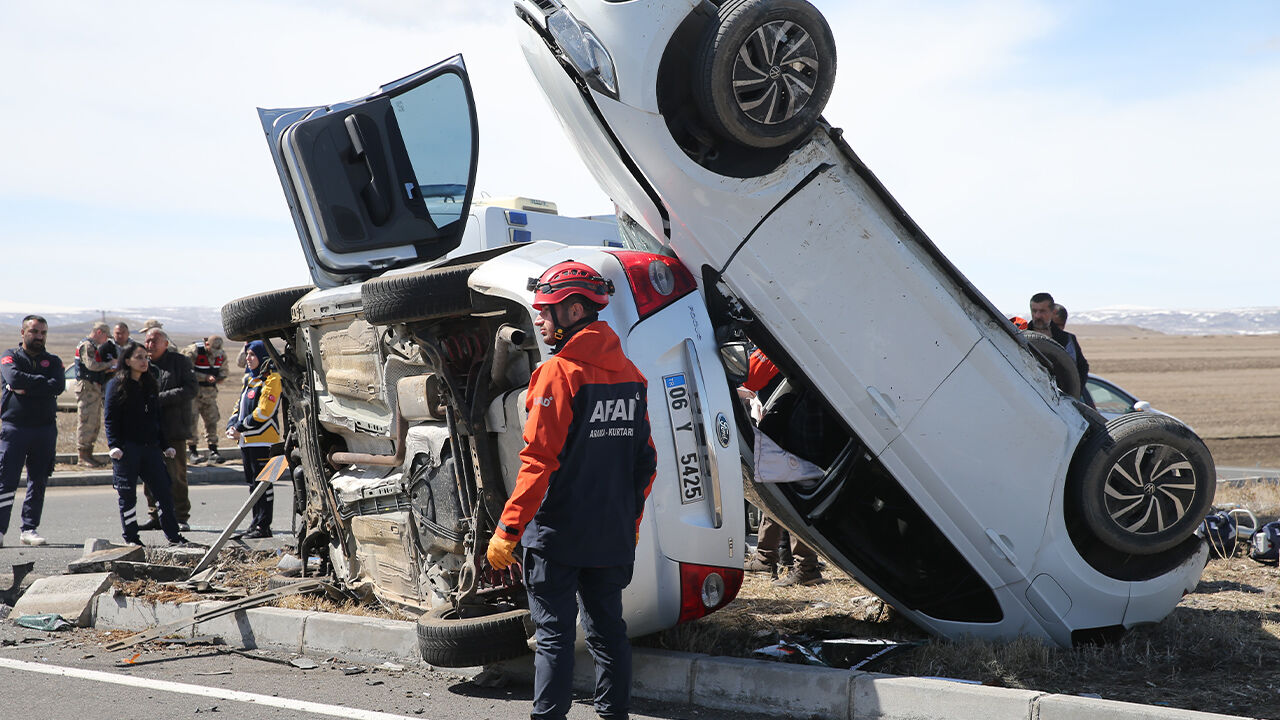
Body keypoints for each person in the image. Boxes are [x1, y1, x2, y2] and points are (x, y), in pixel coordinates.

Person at [486, 260, 656, 720]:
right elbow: (647, 461)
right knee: (608, 634)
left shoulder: (558, 373)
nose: (538, 321)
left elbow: (539, 461)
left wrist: (508, 529)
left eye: (545, 311)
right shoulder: (632, 375)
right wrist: (632, 524)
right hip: (611, 536)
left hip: (558, 536)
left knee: (555, 638)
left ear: (574, 309)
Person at [739, 348, 823, 587]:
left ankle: (806, 567)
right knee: (777, 489)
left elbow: (749, 376)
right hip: (791, 421)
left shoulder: (775, 343)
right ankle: (767, 557)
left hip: (797, 425)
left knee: (792, 491)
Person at [104, 342, 189, 547]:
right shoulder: (116, 385)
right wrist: (114, 445)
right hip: (127, 449)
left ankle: (173, 536)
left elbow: (156, 419)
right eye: (139, 357)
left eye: (145, 357)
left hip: (150, 448)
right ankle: (132, 538)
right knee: (127, 495)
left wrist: (164, 444)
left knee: (163, 491)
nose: (144, 361)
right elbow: (110, 417)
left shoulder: (150, 384)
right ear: (127, 360)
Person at [0, 315, 65, 547]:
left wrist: (25, 387)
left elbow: (58, 385)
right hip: (15, 428)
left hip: (44, 429)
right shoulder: (10, 356)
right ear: (23, 332)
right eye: (34, 331)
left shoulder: (54, 361)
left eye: (43, 333)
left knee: (38, 480)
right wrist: (41, 384)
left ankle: (29, 528)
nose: (39, 336)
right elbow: (12, 376)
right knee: (6, 480)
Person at [137, 328, 196, 532]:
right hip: (148, 430)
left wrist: (160, 399)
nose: (150, 345)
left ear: (165, 343)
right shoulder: (143, 364)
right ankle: (155, 515)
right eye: (147, 341)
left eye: (154, 341)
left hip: (173, 429)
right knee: (149, 475)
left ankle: (180, 516)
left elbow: (190, 390)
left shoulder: (180, 362)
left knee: (176, 474)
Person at [225, 341, 283, 539]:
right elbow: (238, 406)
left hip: (265, 442)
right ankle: (255, 523)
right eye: (246, 354)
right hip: (247, 441)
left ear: (264, 356)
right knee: (252, 485)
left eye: (252, 354)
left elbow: (264, 412)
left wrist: (240, 427)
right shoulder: (251, 379)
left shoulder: (273, 379)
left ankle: (263, 526)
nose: (247, 358)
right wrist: (232, 425)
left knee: (264, 485)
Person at [1029, 292, 1090, 396]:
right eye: (1034, 311)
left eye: (1042, 311)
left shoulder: (1067, 340)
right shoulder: (1020, 336)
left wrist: (1073, 395)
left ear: (1052, 312)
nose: (1037, 316)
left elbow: (1081, 368)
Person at [73, 322, 113, 467]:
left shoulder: (92, 346)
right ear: (99, 332)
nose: (106, 340)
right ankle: (83, 456)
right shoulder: (87, 346)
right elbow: (91, 365)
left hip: (93, 388)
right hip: (87, 388)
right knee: (87, 421)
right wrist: (109, 364)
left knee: (94, 422)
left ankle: (88, 454)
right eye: (106, 336)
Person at [184, 334, 228, 464]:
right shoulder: (193, 351)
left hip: (210, 393)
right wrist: (204, 377)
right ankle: (193, 451)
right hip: (193, 393)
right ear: (207, 344)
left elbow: (224, 370)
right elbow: (185, 371)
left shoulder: (220, 354)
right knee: (192, 420)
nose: (215, 354)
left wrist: (219, 377)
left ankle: (213, 450)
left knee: (212, 420)